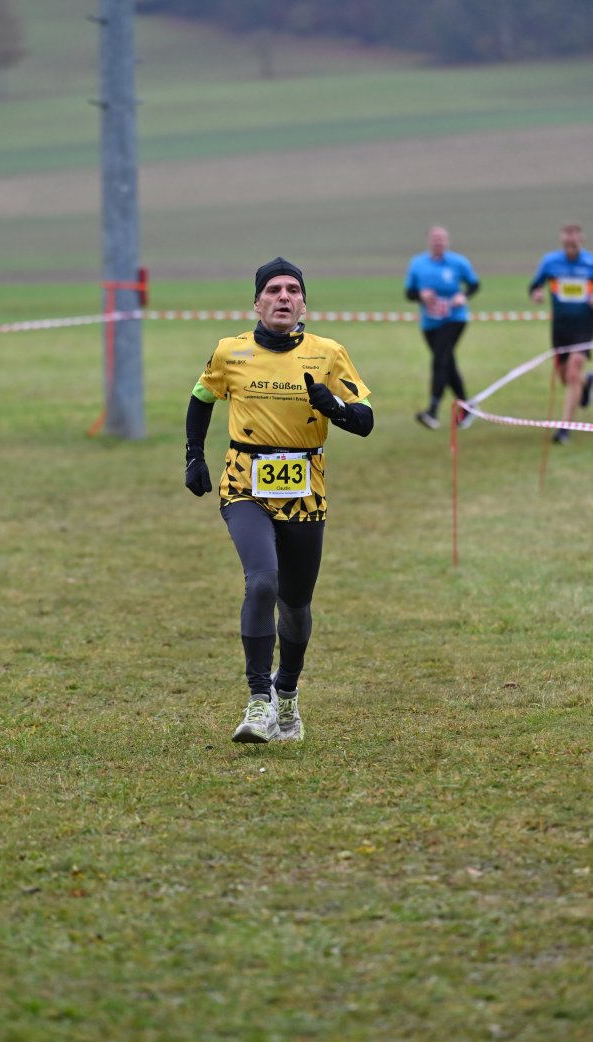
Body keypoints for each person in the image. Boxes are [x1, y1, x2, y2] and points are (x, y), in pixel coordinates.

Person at [184, 257, 373, 744]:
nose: (283, 297)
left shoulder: (328, 353)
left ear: (304, 303)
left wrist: (334, 407)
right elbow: (201, 398)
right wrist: (194, 456)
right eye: (273, 290)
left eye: (292, 290)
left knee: (295, 603)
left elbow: (365, 420)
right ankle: (258, 701)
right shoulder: (230, 352)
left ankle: (286, 692)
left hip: (305, 491)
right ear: (257, 302)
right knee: (262, 581)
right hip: (243, 484)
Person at [404, 225, 481, 430]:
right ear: (429, 241)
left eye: (441, 239)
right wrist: (421, 295)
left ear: (446, 242)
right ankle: (467, 406)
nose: (438, 242)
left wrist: (462, 296)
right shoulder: (418, 264)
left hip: (454, 318)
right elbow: (409, 293)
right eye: (435, 238)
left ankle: (432, 411)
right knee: (447, 363)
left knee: (440, 360)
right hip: (430, 323)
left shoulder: (458, 262)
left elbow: (474, 284)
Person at [528, 222, 593, 444]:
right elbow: (535, 286)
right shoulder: (550, 262)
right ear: (562, 239)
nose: (570, 239)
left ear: (581, 239)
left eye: (574, 235)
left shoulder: (591, 262)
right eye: (567, 235)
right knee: (565, 377)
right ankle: (587, 382)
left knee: (573, 371)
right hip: (560, 328)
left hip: (584, 327)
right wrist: (537, 294)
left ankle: (564, 428)